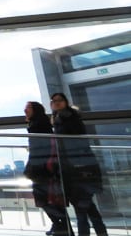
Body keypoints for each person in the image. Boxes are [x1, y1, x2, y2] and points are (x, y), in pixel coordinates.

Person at [50, 93, 108, 236]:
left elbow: (76, 140)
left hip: (79, 168)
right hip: (74, 169)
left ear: (66, 102)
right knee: (88, 208)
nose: (56, 103)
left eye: (59, 100)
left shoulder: (69, 117)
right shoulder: (59, 119)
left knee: (81, 210)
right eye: (54, 101)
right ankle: (102, 233)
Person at [24, 101, 72, 236]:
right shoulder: (37, 124)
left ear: (35, 110)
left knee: (46, 199)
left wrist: (31, 167)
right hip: (44, 167)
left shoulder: (38, 125)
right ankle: (61, 227)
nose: (25, 110)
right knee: (51, 200)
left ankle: (60, 226)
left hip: (44, 168)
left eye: (28, 107)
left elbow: (41, 149)